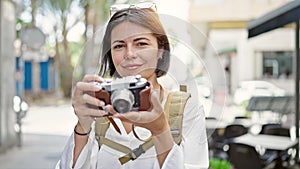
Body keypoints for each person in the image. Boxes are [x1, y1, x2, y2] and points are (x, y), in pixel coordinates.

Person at [56, 2, 209, 169]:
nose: (129, 54)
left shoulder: (186, 109)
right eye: (119, 46)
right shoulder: (99, 107)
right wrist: (82, 126)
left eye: (141, 43)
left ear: (160, 50)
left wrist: (161, 131)